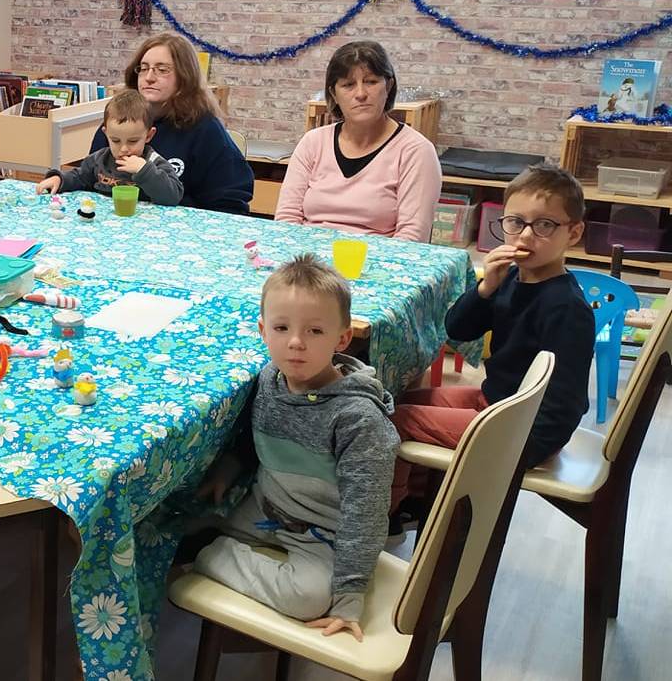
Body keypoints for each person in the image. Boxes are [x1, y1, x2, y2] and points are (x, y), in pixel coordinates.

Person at [192, 254, 398, 642]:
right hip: (263, 508)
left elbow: (366, 514)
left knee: (310, 598)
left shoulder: (358, 419)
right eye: (281, 328)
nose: (296, 343)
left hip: (322, 534)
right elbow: (255, 439)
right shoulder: (271, 378)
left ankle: (208, 553)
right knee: (167, 525)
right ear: (263, 331)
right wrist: (229, 468)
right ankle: (202, 546)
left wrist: (350, 595)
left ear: (342, 338)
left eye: (315, 332)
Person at [389, 163, 595, 522]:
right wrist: (485, 288)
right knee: (400, 396)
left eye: (544, 225)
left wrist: (520, 445)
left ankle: (383, 515)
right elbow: (457, 330)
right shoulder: (513, 277)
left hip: (520, 427)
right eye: (515, 222)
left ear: (573, 232)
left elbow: (566, 404)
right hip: (497, 401)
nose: (525, 236)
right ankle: (417, 503)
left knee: (394, 419)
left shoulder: (567, 309)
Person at [276, 41, 441, 242]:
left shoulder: (416, 151)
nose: (361, 94)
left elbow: (411, 238)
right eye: (348, 85)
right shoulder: (313, 142)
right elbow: (286, 219)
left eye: (371, 81)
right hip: (310, 265)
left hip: (377, 265)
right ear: (333, 94)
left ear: (388, 86)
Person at [91, 33, 252, 213]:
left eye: (162, 70)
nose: (149, 77)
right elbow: (90, 178)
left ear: (184, 77)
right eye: (143, 68)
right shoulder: (120, 121)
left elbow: (230, 202)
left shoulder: (205, 129)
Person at [35, 89, 183, 205]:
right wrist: (59, 180)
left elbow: (173, 197)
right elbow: (79, 177)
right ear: (106, 134)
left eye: (132, 141)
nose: (123, 149)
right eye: (116, 140)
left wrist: (144, 171)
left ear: (149, 136)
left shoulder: (154, 162)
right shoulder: (100, 159)